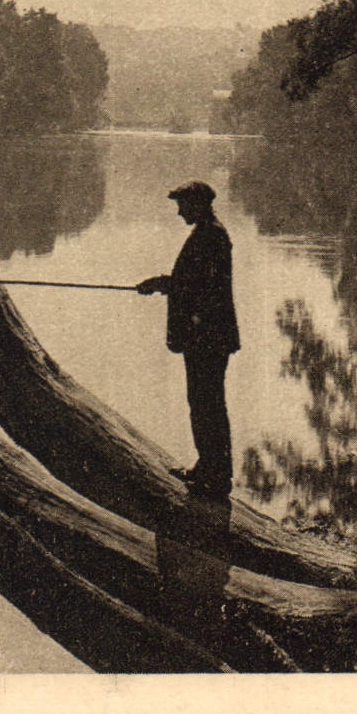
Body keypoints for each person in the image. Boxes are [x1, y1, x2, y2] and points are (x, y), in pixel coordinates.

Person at [136, 180, 240, 494]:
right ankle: (208, 466)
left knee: (207, 402)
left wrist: (161, 283)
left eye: (183, 205)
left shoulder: (212, 236)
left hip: (208, 336)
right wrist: (162, 283)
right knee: (202, 401)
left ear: (198, 205)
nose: (180, 212)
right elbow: (192, 283)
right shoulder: (208, 233)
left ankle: (216, 474)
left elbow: (198, 289)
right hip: (206, 335)